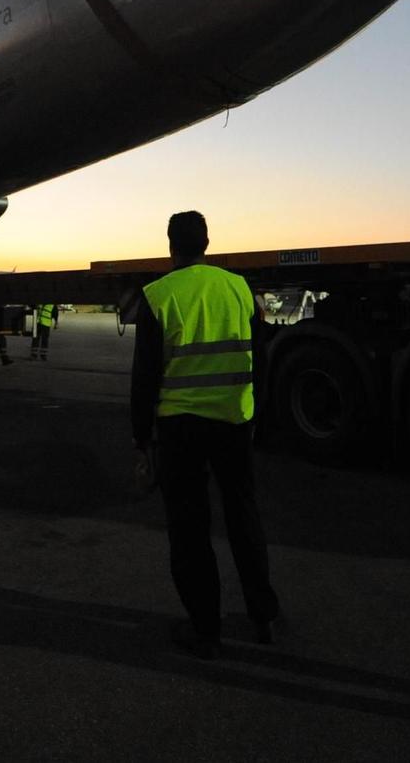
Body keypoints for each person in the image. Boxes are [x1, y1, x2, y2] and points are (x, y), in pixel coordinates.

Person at [125, 211, 281, 658]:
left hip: (181, 428)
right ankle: (263, 613)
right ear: (207, 242)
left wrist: (141, 438)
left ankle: (205, 628)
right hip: (234, 422)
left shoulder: (158, 295)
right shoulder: (239, 289)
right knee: (244, 518)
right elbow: (261, 357)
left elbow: (145, 378)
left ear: (171, 245)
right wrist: (256, 416)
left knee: (191, 529)